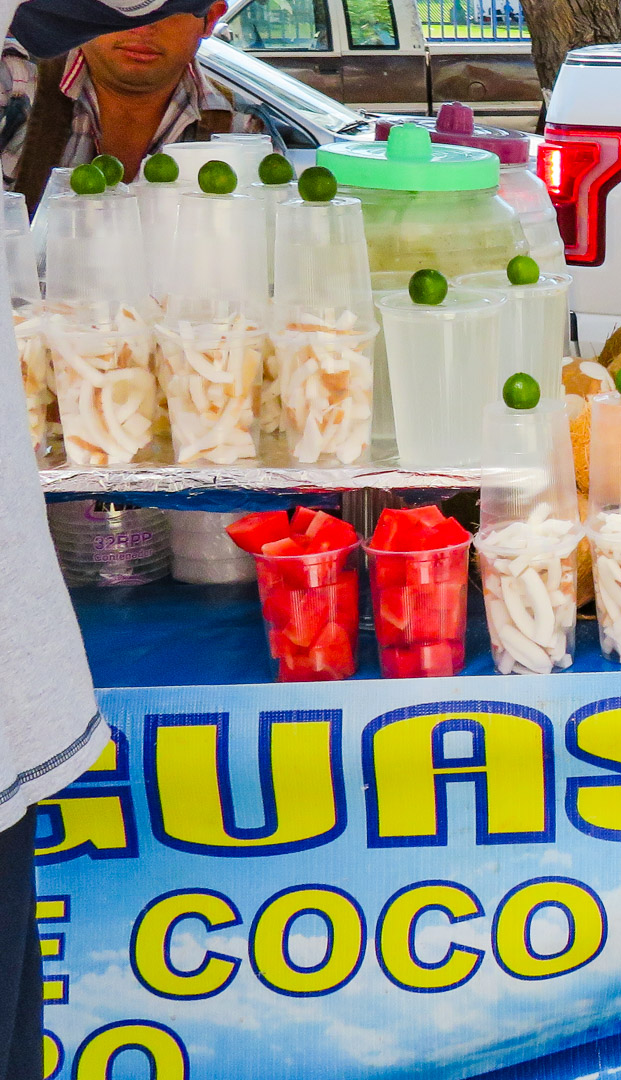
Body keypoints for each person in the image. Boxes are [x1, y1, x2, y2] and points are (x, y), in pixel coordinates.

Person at [0, 3, 227, 1074]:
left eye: (176, 7)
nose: (143, 28)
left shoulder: (239, 133)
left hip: (182, 494)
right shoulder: (19, 106)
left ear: (214, 19)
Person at [0, 0, 268, 212]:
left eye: (167, 10)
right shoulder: (16, 87)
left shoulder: (243, 129)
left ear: (211, 18)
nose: (141, 28)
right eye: (123, 8)